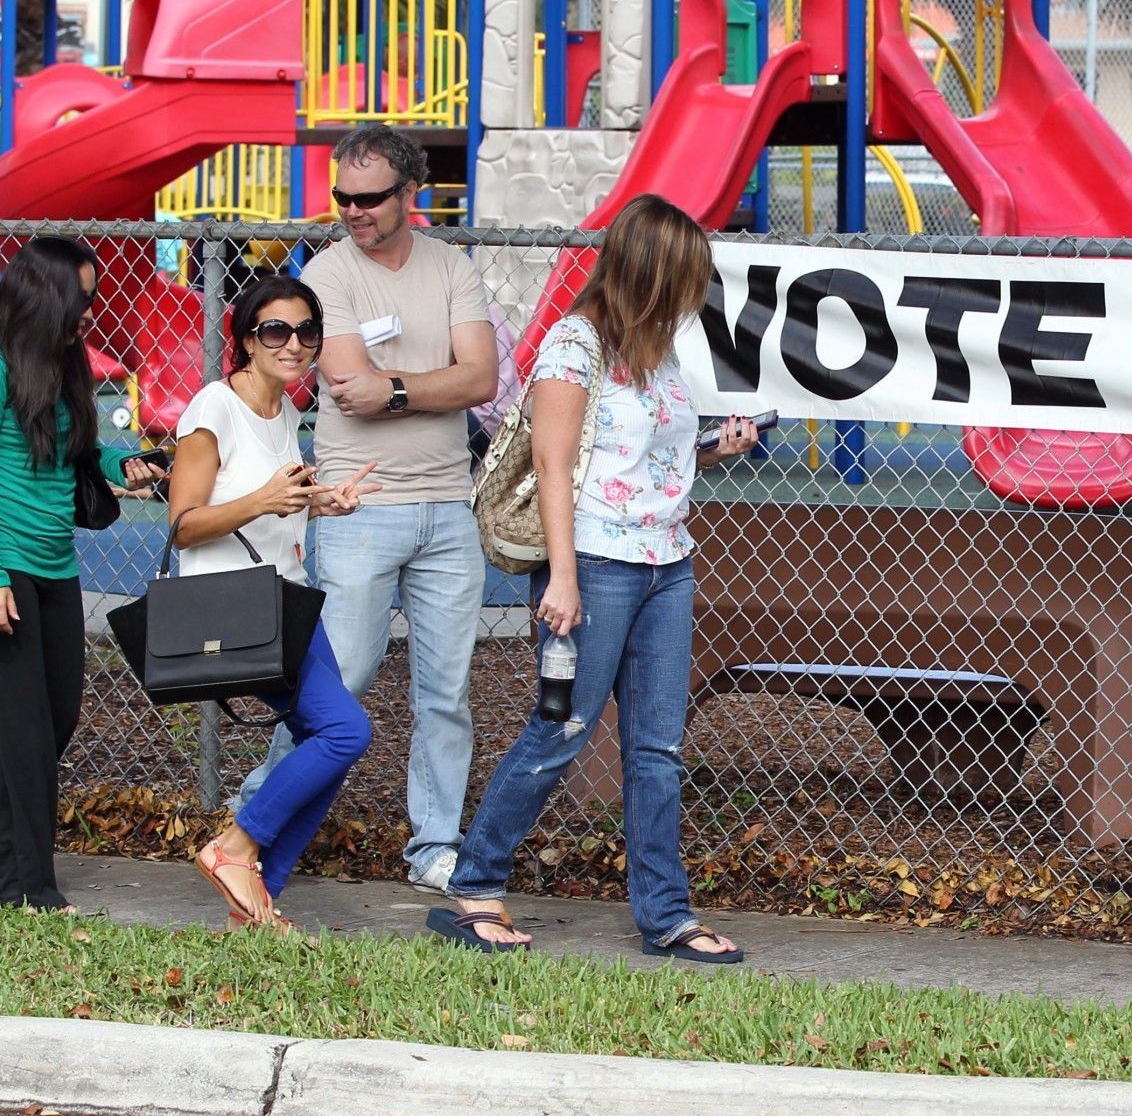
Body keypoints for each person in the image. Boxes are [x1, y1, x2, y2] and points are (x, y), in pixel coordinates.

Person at [426, 195, 759, 959]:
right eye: (683, 278)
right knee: (562, 729)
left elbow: (638, 457)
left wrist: (714, 449)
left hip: (667, 563)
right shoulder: (574, 345)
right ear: (648, 273)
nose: (691, 296)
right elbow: (554, 465)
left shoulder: (657, 351)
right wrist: (563, 578)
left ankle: (666, 916)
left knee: (657, 749)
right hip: (596, 566)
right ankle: (473, 888)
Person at [237, 124, 497, 893]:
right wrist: (428, 383)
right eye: (342, 197)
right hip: (357, 509)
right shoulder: (326, 274)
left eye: (370, 198)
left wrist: (399, 388)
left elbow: (481, 377)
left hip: (448, 506)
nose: (352, 210)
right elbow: (352, 386)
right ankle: (254, 823)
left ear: (410, 193)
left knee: (446, 694)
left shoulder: (451, 267)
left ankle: (435, 847)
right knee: (338, 683)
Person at [170, 276, 379, 931]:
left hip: (284, 602)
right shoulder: (214, 408)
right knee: (346, 731)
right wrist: (265, 499)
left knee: (333, 740)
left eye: (306, 331)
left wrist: (319, 503)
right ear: (246, 339)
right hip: (234, 608)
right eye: (275, 331)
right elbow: (184, 524)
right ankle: (235, 847)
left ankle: (255, 903)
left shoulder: (283, 410)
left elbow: (271, 510)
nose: (293, 344)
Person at [0, 238, 162, 913]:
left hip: (56, 565)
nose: (90, 311)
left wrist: (128, 464)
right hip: (8, 565)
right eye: (82, 298)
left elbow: (81, 453)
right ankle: (30, 887)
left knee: (59, 716)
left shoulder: (66, 363)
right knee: (24, 733)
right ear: (45, 296)